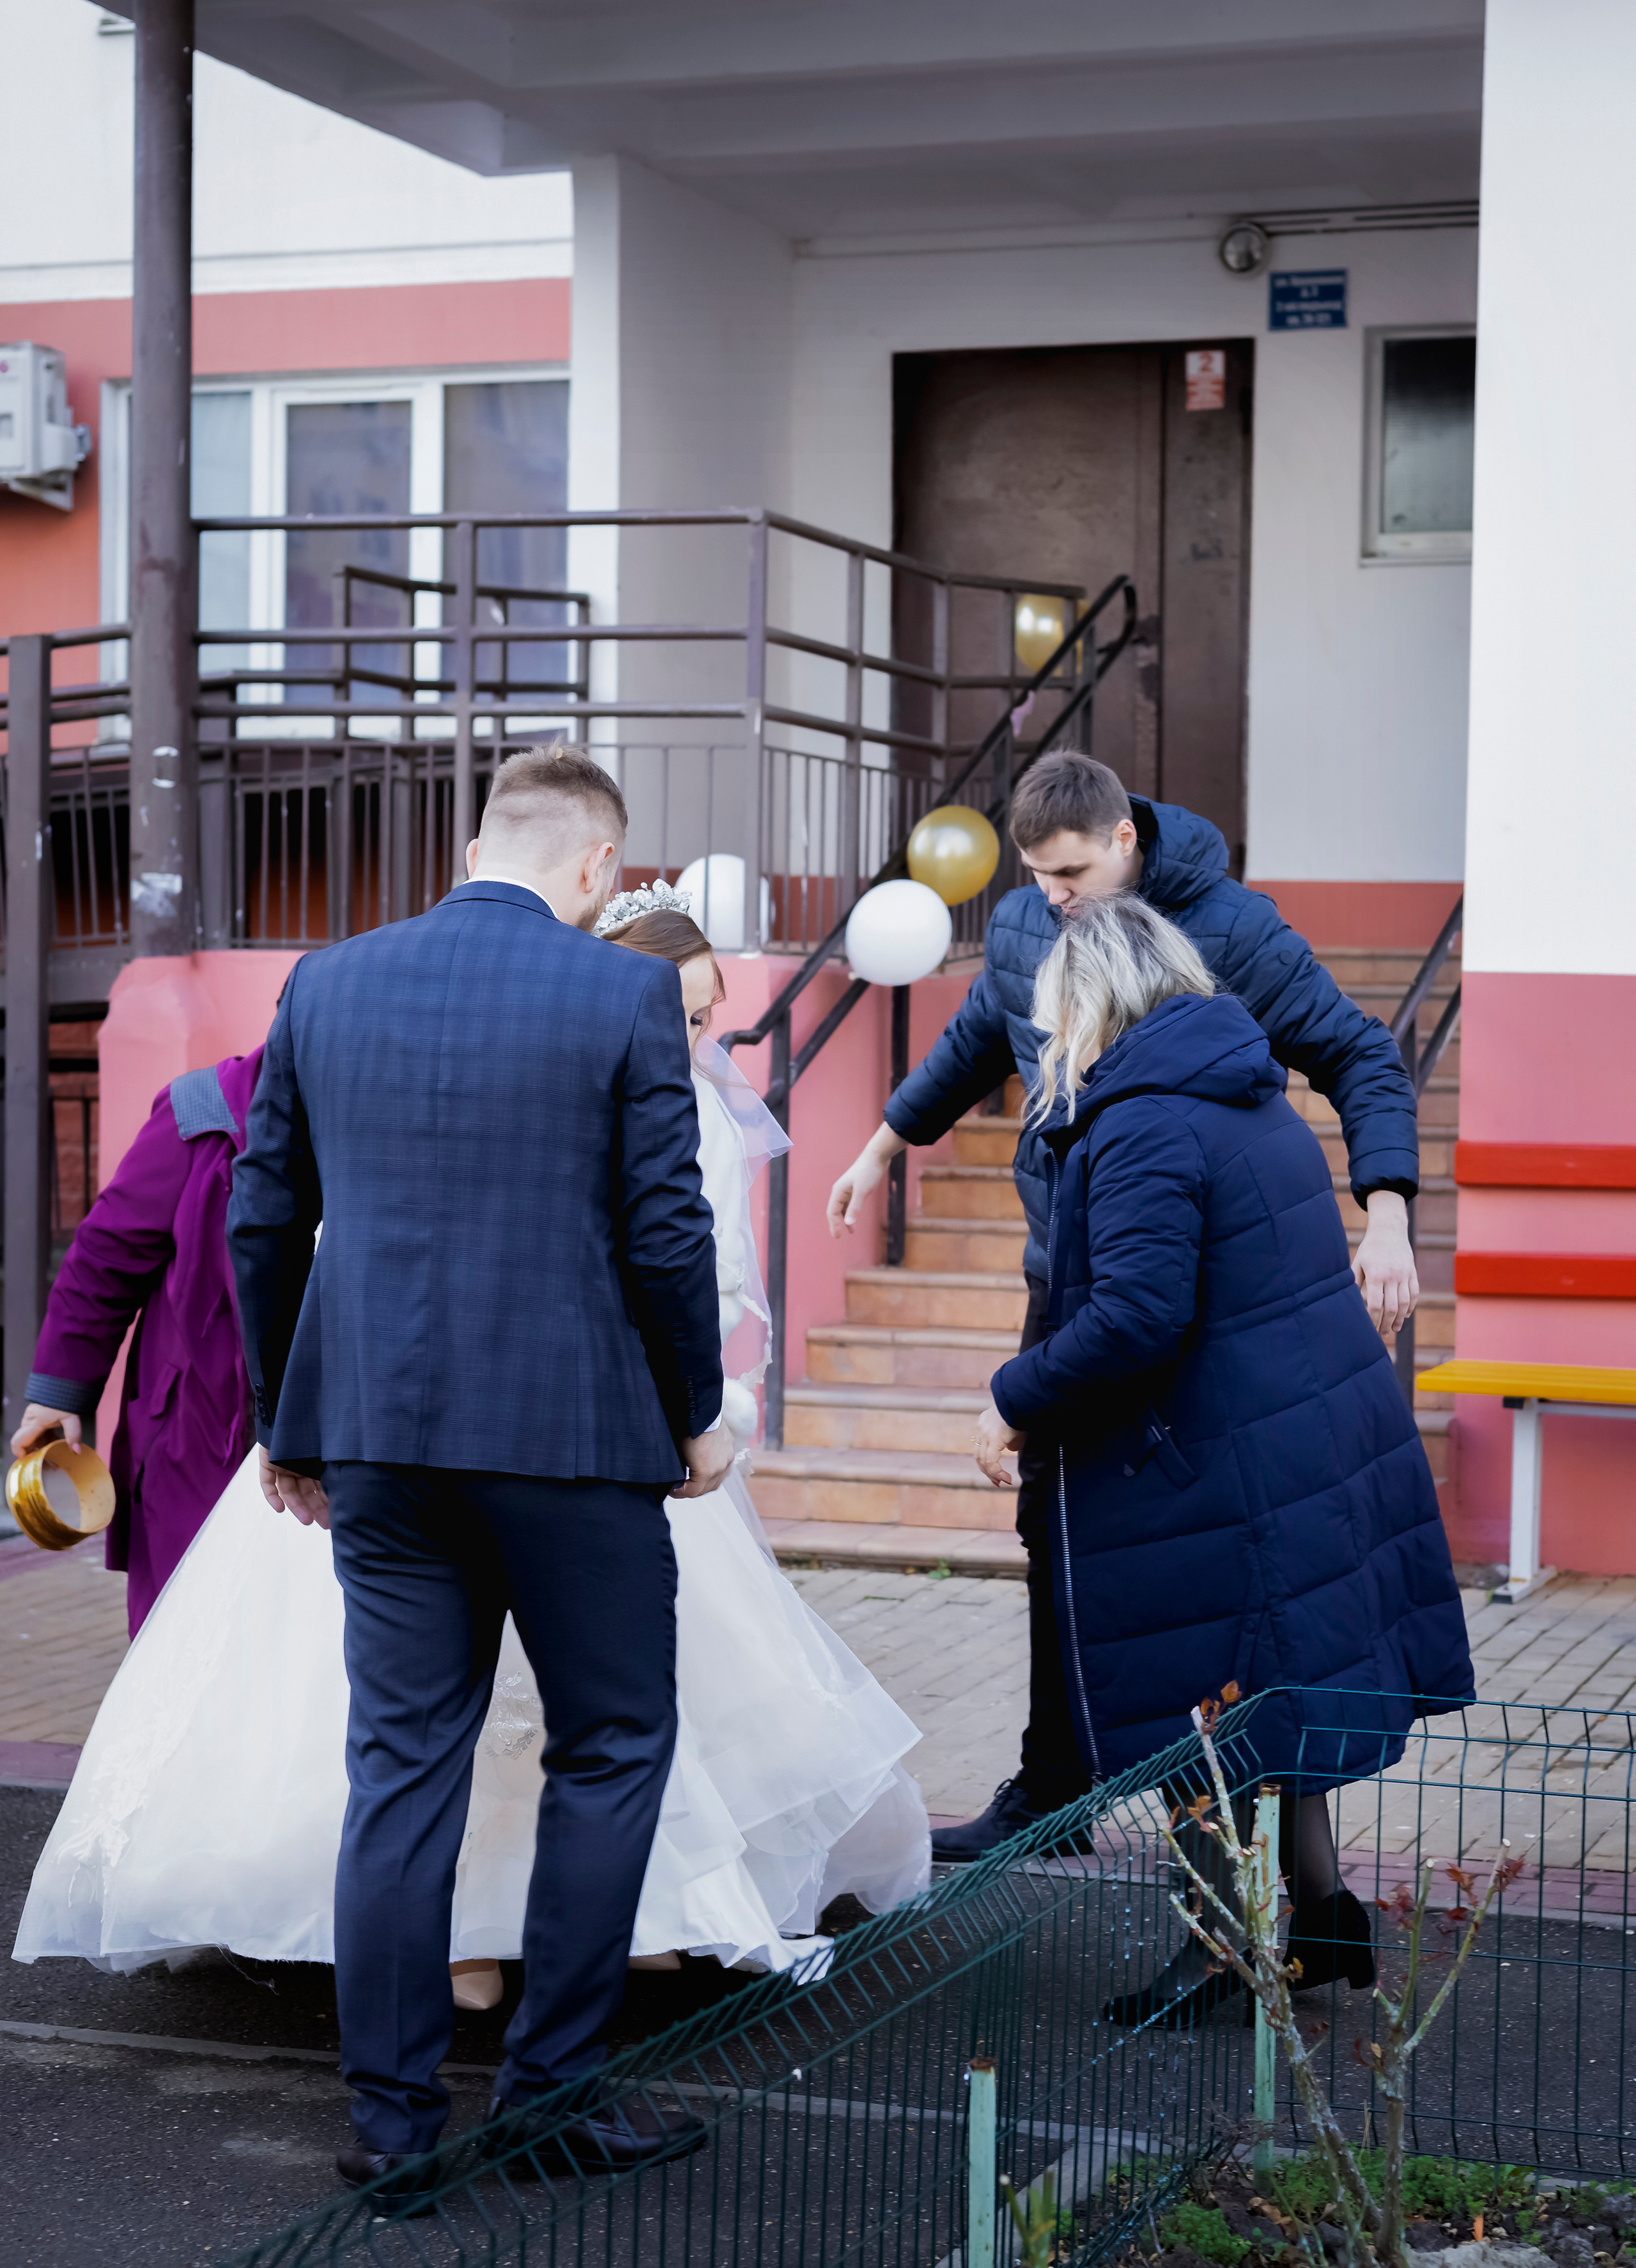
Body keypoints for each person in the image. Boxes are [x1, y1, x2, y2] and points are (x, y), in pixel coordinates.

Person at [14, 800, 929, 2200]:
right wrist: (694, 1413)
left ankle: (391, 2126)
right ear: (598, 864)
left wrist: (290, 1422)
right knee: (611, 1745)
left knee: (399, 1767)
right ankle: (548, 2095)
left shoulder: (328, 983)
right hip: (574, 1446)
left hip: (380, 1444)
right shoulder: (622, 993)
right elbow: (666, 1227)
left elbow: (266, 1215)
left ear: (472, 851)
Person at [828, 754, 1426, 1861]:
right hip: (1068, 1279)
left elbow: (1358, 1054)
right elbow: (978, 1037)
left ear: (1123, 840)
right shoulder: (1028, 921)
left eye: (1070, 873)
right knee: (1053, 1526)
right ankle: (1057, 1788)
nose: (1053, 897)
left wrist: (1386, 1210)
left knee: (1189, 1556)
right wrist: (882, 1145)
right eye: (1036, 875)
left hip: (1185, 1301)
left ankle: (1242, 1848)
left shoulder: (1233, 930)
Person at [968, 892, 1474, 2027]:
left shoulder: (1146, 1119)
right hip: (1292, 1441)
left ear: (1093, 1002)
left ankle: (1218, 1954)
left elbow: (1136, 1317)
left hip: (1215, 1462)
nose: (1052, 1038)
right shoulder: (1245, 1092)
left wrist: (1012, 1396)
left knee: (1201, 1713)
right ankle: (1324, 1917)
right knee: (1268, 1701)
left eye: (1057, 1015)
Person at [10, 1047, 264, 1635]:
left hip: (342, 1453)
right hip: (199, 1438)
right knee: (188, 1632)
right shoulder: (203, 1109)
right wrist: (58, 1393)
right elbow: (105, 1259)